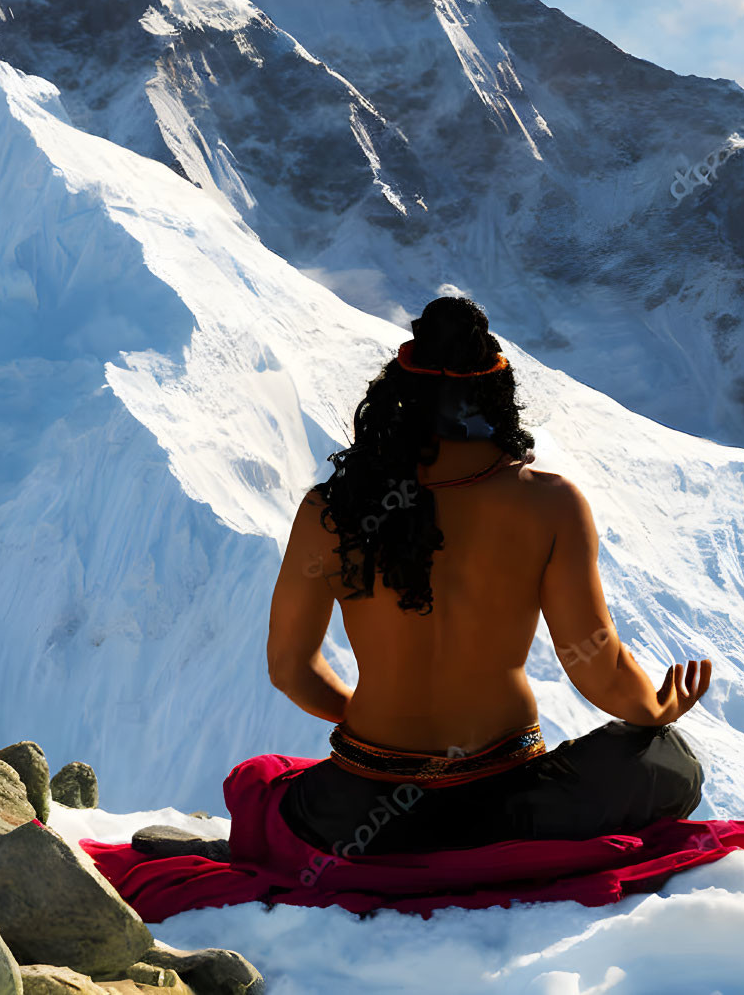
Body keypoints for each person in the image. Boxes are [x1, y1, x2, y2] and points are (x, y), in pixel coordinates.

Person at [266, 295, 711, 856]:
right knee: (668, 763)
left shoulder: (331, 507)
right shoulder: (551, 504)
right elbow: (591, 659)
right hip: (507, 802)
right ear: (498, 398)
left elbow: (289, 669)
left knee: (267, 784)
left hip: (359, 811)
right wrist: (653, 712)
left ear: (397, 398)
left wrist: (367, 721)